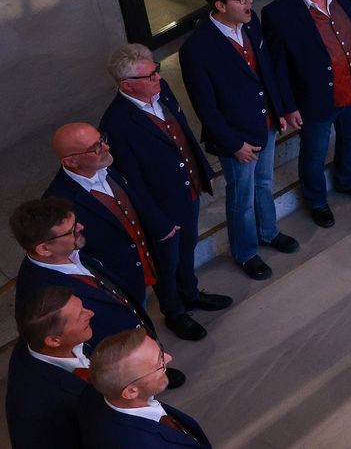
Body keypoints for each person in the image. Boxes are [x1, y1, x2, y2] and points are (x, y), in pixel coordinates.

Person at [98, 45, 231, 342]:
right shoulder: (116, 125)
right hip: (161, 208)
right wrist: (158, 222)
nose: (158, 77)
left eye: (156, 69)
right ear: (127, 85)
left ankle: (191, 293)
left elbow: (181, 132)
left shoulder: (163, 89)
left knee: (189, 247)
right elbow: (130, 182)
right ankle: (174, 311)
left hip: (188, 190)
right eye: (150, 75)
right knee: (166, 265)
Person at [179, 0, 298, 281]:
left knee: (264, 183)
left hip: (266, 123)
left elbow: (267, 71)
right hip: (237, 137)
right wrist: (233, 144)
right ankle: (245, 252)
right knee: (241, 197)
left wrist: (280, 109)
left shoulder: (251, 22)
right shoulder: (197, 48)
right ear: (219, 5)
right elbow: (206, 106)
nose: (249, 2)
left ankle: (269, 232)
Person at [10, 198, 183, 387]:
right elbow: (69, 346)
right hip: (114, 358)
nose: (81, 227)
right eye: (71, 230)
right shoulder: (40, 295)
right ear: (44, 249)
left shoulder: (71, 250)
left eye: (76, 222)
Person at [262, 0, 351, 229]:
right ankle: (316, 201)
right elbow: (278, 67)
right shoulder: (279, 13)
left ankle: (348, 180)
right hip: (315, 97)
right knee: (314, 152)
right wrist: (287, 106)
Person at [44, 124, 167, 316]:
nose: (106, 147)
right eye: (95, 148)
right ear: (71, 162)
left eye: (102, 139)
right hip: (120, 281)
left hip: (149, 257)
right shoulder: (58, 204)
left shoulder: (108, 165)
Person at [79, 329, 210, 448]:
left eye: (161, 352)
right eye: (160, 363)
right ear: (131, 391)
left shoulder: (104, 391)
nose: (169, 358)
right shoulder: (141, 443)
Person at [6, 286, 93, 449]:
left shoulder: (39, 336)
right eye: (80, 315)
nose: (90, 313)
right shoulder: (37, 406)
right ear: (53, 340)